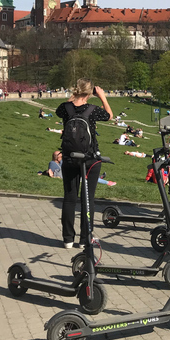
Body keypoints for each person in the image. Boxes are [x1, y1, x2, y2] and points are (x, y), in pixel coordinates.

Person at [56, 78, 112, 249]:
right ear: (89, 94)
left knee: (69, 198)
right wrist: (102, 97)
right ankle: (84, 239)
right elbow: (109, 116)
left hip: (69, 158)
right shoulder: (93, 110)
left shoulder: (65, 108)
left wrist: (72, 98)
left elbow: (61, 110)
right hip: (89, 159)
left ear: (75, 91)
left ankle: (67, 239)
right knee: (88, 199)